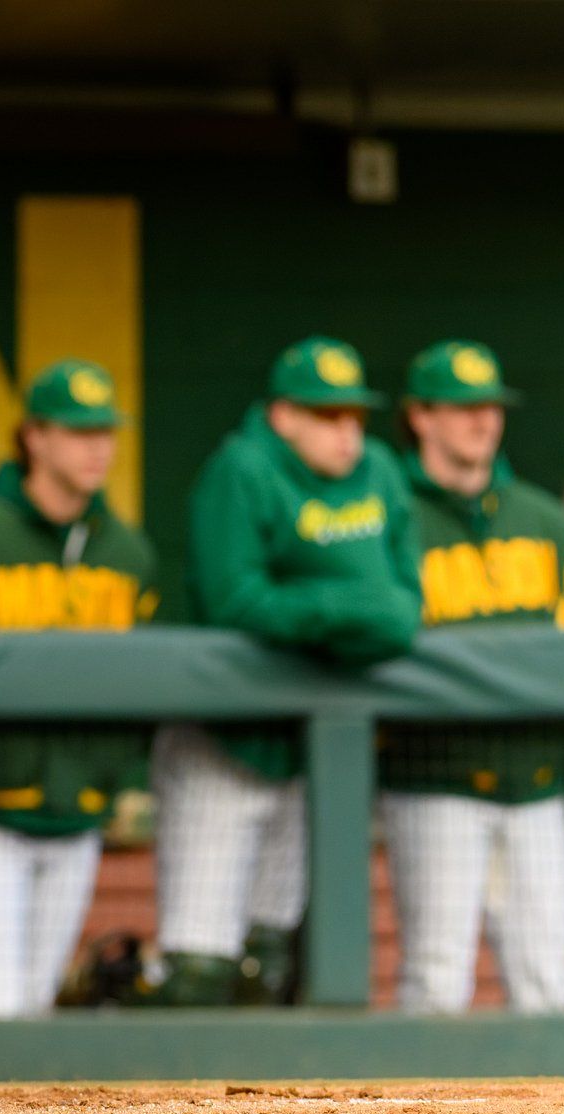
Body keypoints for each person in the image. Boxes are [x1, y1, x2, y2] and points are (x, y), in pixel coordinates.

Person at [145, 336, 420, 1005]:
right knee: (201, 964)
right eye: (326, 415)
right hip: (226, 743)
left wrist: (331, 609)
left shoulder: (380, 471)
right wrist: (349, 608)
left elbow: (405, 604)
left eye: (355, 415)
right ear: (282, 415)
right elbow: (236, 600)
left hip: (314, 753)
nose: (347, 432)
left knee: (269, 962)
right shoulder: (240, 469)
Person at [383, 340, 564, 1013]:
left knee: (546, 983)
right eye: (462, 407)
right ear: (421, 416)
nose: (482, 421)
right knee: (435, 981)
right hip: (432, 784)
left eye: (490, 407)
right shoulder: (391, 519)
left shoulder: (544, 522)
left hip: (538, 788)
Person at [0, 359, 156, 1017]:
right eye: (78, 431)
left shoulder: (128, 552)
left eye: (105, 431)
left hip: (78, 812)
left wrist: (112, 777)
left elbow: (143, 685)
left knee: (37, 1003)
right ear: (34, 437)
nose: (98, 448)